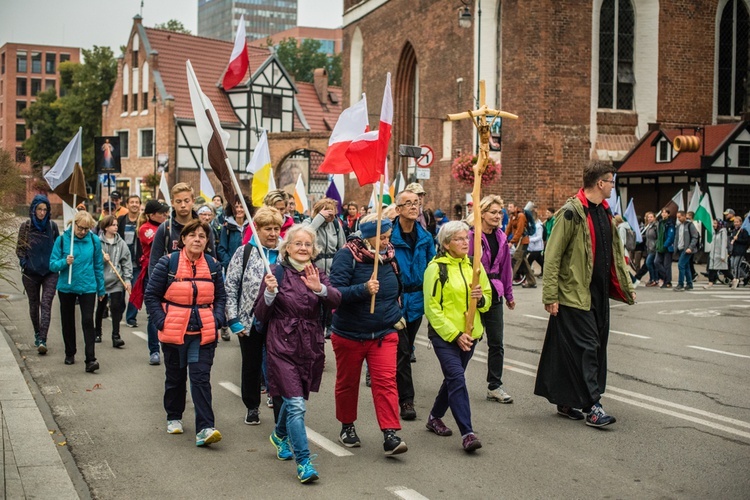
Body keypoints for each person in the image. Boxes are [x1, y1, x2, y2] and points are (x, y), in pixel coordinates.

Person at [534, 160, 635, 427]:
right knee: (588, 348)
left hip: (598, 295)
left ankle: (566, 400)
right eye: (611, 181)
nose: (613, 186)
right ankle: (593, 406)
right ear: (600, 183)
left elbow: (611, 254)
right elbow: (552, 256)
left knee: (586, 347)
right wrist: (550, 296)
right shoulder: (571, 213)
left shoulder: (605, 212)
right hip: (574, 295)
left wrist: (623, 285)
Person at [254, 224, 341, 484]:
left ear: (313, 249)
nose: (303, 248)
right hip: (281, 344)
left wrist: (319, 289)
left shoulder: (318, 273)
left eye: (308, 244)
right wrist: (270, 293)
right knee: (295, 405)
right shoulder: (275, 272)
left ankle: (279, 435)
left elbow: (336, 300)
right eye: (298, 243)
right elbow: (260, 314)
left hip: (310, 345)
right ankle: (303, 462)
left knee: (296, 399)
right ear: (287, 247)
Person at [328, 214, 408, 456]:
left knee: (386, 383)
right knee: (347, 383)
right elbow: (335, 293)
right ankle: (347, 426)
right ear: (368, 236)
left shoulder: (390, 256)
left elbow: (399, 287)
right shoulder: (347, 255)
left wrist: (396, 315)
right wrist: (363, 289)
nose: (386, 242)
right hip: (350, 334)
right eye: (381, 237)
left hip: (383, 333)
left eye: (387, 236)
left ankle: (390, 434)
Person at [145, 219, 226, 446]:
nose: (198, 239)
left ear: (207, 241)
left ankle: (205, 428)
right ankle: (174, 416)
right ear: (183, 239)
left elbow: (221, 297)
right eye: (193, 235)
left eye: (202, 236)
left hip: (203, 333)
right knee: (176, 377)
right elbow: (151, 295)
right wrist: (162, 321)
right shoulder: (167, 263)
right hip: (174, 331)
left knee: (200, 379)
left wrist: (217, 319)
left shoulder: (213, 266)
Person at [423, 221, 492, 452]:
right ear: (445, 244)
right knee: (457, 377)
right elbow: (432, 308)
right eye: (459, 239)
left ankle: (434, 417)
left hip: (471, 334)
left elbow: (488, 299)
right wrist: (454, 335)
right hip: (445, 336)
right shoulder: (436, 269)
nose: (465, 243)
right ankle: (468, 433)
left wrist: (480, 299)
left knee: (454, 378)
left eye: (467, 238)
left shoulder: (475, 266)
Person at [224, 207, 282, 425]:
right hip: (250, 320)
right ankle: (252, 406)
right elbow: (230, 286)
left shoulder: (286, 253)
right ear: (257, 229)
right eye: (268, 228)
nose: (273, 233)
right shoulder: (244, 252)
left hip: (278, 320)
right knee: (251, 364)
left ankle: (279, 406)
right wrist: (233, 319)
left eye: (276, 228)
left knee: (278, 365)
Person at [391, 190, 436, 421]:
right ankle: (406, 400)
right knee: (403, 350)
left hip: (417, 300)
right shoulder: (388, 235)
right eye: (407, 203)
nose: (413, 207)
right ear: (398, 209)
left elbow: (433, 268)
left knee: (404, 352)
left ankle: (391, 384)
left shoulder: (425, 237)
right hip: (395, 301)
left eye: (416, 203)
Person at [468, 196, 516, 404]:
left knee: (496, 342)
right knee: (468, 340)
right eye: (493, 212)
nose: (497, 216)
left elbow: (506, 268)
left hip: (494, 293)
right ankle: (454, 379)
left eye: (500, 213)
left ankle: (494, 385)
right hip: (475, 294)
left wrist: (509, 295)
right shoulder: (471, 236)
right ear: (482, 213)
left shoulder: (502, 237)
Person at [49, 211, 106, 372]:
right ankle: (70, 352)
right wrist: (64, 262)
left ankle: (90, 359)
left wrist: (101, 289)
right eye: (80, 228)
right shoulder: (62, 240)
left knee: (88, 320)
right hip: (67, 287)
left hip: (88, 286)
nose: (83, 232)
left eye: (86, 229)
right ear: (73, 224)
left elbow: (98, 266)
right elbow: (52, 265)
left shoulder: (94, 241)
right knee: (67, 320)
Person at [16, 195, 59, 354]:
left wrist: (57, 263)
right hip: (31, 273)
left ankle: (43, 339)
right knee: (34, 305)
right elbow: (19, 249)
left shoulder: (52, 227)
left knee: (46, 304)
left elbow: (58, 247)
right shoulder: (26, 227)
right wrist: (24, 263)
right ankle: (36, 332)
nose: (42, 213)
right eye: (39, 209)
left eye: (45, 209)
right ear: (33, 209)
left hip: (50, 273)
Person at [130, 200, 169, 365]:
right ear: (151, 215)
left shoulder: (168, 227)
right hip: (151, 273)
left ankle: (168, 347)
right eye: (162, 213)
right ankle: (154, 351)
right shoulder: (145, 229)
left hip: (170, 273)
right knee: (153, 314)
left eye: (166, 213)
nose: (165, 216)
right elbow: (158, 243)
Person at [94, 216, 132, 347]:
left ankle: (116, 335)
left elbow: (126, 262)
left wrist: (127, 280)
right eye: (113, 225)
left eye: (116, 224)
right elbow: (92, 261)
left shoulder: (121, 244)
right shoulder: (97, 243)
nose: (116, 227)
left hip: (116, 281)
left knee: (116, 307)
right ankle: (97, 332)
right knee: (101, 307)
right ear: (105, 227)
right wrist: (101, 259)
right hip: (102, 281)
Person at [306, 198, 346, 275]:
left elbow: (342, 247)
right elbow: (306, 235)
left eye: (332, 211)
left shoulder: (336, 224)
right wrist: (320, 218)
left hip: (333, 269)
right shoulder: (309, 222)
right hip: (313, 268)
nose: (329, 214)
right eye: (327, 211)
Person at [118, 195, 142, 327]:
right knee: (120, 292)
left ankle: (131, 317)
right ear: (127, 205)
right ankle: (118, 311)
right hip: (122, 262)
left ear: (140, 205)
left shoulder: (143, 221)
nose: (134, 204)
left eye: (136, 202)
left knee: (135, 290)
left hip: (137, 262)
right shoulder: (121, 220)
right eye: (131, 202)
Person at [506, 202, 537, 288]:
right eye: (508, 207)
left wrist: (511, 242)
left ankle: (508, 281)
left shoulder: (521, 216)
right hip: (518, 242)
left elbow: (519, 231)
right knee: (524, 263)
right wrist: (503, 239)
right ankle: (532, 281)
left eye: (510, 207)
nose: (508, 208)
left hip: (523, 242)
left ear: (516, 207)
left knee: (515, 260)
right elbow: (508, 229)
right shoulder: (512, 217)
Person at [674, 210, 699, 291]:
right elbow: (677, 238)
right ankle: (689, 284)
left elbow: (695, 237)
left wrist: (690, 247)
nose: (678, 219)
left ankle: (680, 283)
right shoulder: (678, 226)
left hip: (687, 249)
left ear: (684, 216)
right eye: (677, 217)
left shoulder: (690, 225)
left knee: (681, 265)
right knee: (686, 266)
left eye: (680, 217)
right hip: (680, 248)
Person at [634, 212, 658, 286]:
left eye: (651, 217)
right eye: (648, 217)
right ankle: (653, 279)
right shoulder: (649, 226)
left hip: (653, 248)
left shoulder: (656, 226)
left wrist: (655, 246)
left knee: (648, 263)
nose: (649, 218)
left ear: (654, 217)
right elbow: (646, 237)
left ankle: (653, 279)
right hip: (648, 248)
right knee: (650, 264)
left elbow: (658, 237)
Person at [704, 218, 728, 288]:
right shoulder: (715, 232)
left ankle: (733, 279)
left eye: (715, 223)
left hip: (719, 254)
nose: (713, 225)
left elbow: (724, 244)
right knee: (711, 268)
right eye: (713, 223)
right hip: (713, 254)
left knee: (723, 270)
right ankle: (710, 283)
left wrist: (723, 255)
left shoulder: (723, 232)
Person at [655, 208, 675, 288]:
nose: (663, 214)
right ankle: (666, 277)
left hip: (667, 247)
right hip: (660, 246)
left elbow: (670, 236)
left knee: (667, 265)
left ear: (668, 214)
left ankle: (667, 281)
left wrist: (665, 245)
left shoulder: (670, 223)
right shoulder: (660, 222)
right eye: (662, 212)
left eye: (665, 212)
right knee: (656, 262)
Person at [729, 214, 749, 289]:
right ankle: (745, 276)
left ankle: (736, 280)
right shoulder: (734, 231)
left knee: (736, 265)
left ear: (741, 223)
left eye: (737, 222)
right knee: (732, 265)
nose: (736, 223)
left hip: (740, 251)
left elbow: (746, 241)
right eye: (735, 222)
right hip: (734, 250)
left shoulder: (744, 231)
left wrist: (738, 239)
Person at [526, 209, 545, 277]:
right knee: (540, 261)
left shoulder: (539, 226)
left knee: (529, 261)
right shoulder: (532, 225)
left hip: (537, 247)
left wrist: (530, 240)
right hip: (533, 247)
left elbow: (539, 237)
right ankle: (546, 271)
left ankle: (528, 276)